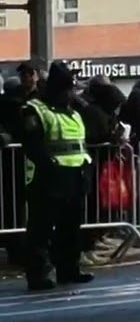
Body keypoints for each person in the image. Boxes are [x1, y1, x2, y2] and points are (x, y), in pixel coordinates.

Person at [21, 61, 94, 291]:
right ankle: (39, 274)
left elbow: (82, 144)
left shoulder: (73, 113)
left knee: (70, 227)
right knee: (41, 229)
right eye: (68, 88)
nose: (72, 93)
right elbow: (31, 144)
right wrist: (50, 166)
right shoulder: (34, 109)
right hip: (47, 177)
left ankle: (69, 269)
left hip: (74, 176)